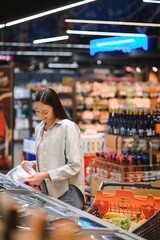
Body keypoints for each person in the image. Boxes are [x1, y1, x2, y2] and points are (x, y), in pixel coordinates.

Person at [21, 87, 85, 209]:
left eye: (45, 112)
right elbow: (50, 157)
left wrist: (45, 175)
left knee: (63, 227)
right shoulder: (39, 128)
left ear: (55, 107)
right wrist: (34, 164)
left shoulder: (68, 127)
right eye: (37, 111)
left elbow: (74, 165)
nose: (41, 116)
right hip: (49, 191)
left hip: (68, 191)